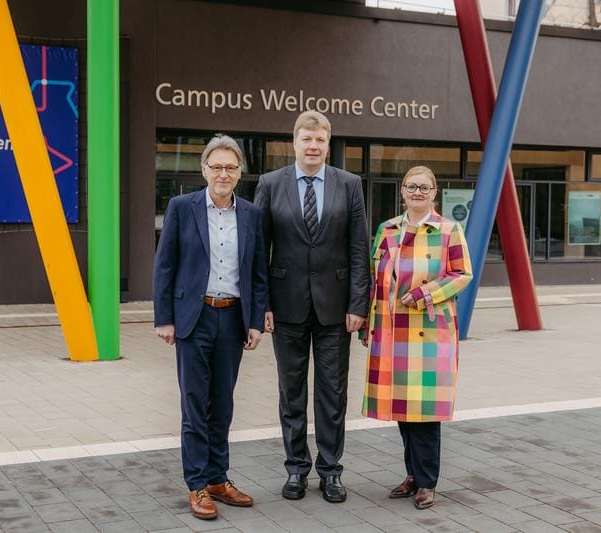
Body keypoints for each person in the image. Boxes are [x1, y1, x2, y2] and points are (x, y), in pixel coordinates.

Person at [254, 111, 370, 503]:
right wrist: (262, 303)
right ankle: (296, 469)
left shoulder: (349, 184)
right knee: (291, 393)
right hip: (285, 307)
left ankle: (331, 471)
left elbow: (358, 249)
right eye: (307, 139)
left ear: (328, 143)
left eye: (320, 139)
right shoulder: (271, 184)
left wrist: (358, 304)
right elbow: (258, 250)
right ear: (295, 142)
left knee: (332, 393)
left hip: (336, 310)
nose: (313, 146)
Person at [153, 134, 268, 520]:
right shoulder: (181, 207)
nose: (223, 173)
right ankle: (198, 484)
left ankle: (219, 478)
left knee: (222, 404)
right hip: (194, 318)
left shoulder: (251, 214)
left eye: (230, 167)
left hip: (233, 319)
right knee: (195, 404)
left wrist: (256, 321)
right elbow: (164, 265)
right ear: (204, 170)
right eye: (216, 166)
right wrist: (164, 318)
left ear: (240, 172)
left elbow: (257, 272)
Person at [361, 165, 472, 509]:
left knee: (424, 412)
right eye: (412, 187)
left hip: (429, 332)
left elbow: (462, 274)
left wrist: (424, 293)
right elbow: (374, 279)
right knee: (402, 409)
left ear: (434, 193)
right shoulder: (387, 229)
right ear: (402, 191)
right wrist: (368, 324)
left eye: (424, 188)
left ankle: (426, 482)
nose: (418, 193)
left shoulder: (449, 230)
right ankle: (412, 474)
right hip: (392, 331)